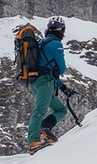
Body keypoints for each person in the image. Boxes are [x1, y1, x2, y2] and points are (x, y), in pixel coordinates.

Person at [27, 16, 72, 154]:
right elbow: (61, 69)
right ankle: (34, 141)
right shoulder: (56, 44)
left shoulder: (41, 42)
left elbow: (46, 68)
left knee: (61, 110)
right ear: (62, 30)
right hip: (45, 83)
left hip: (36, 83)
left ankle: (45, 127)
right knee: (39, 111)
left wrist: (62, 86)